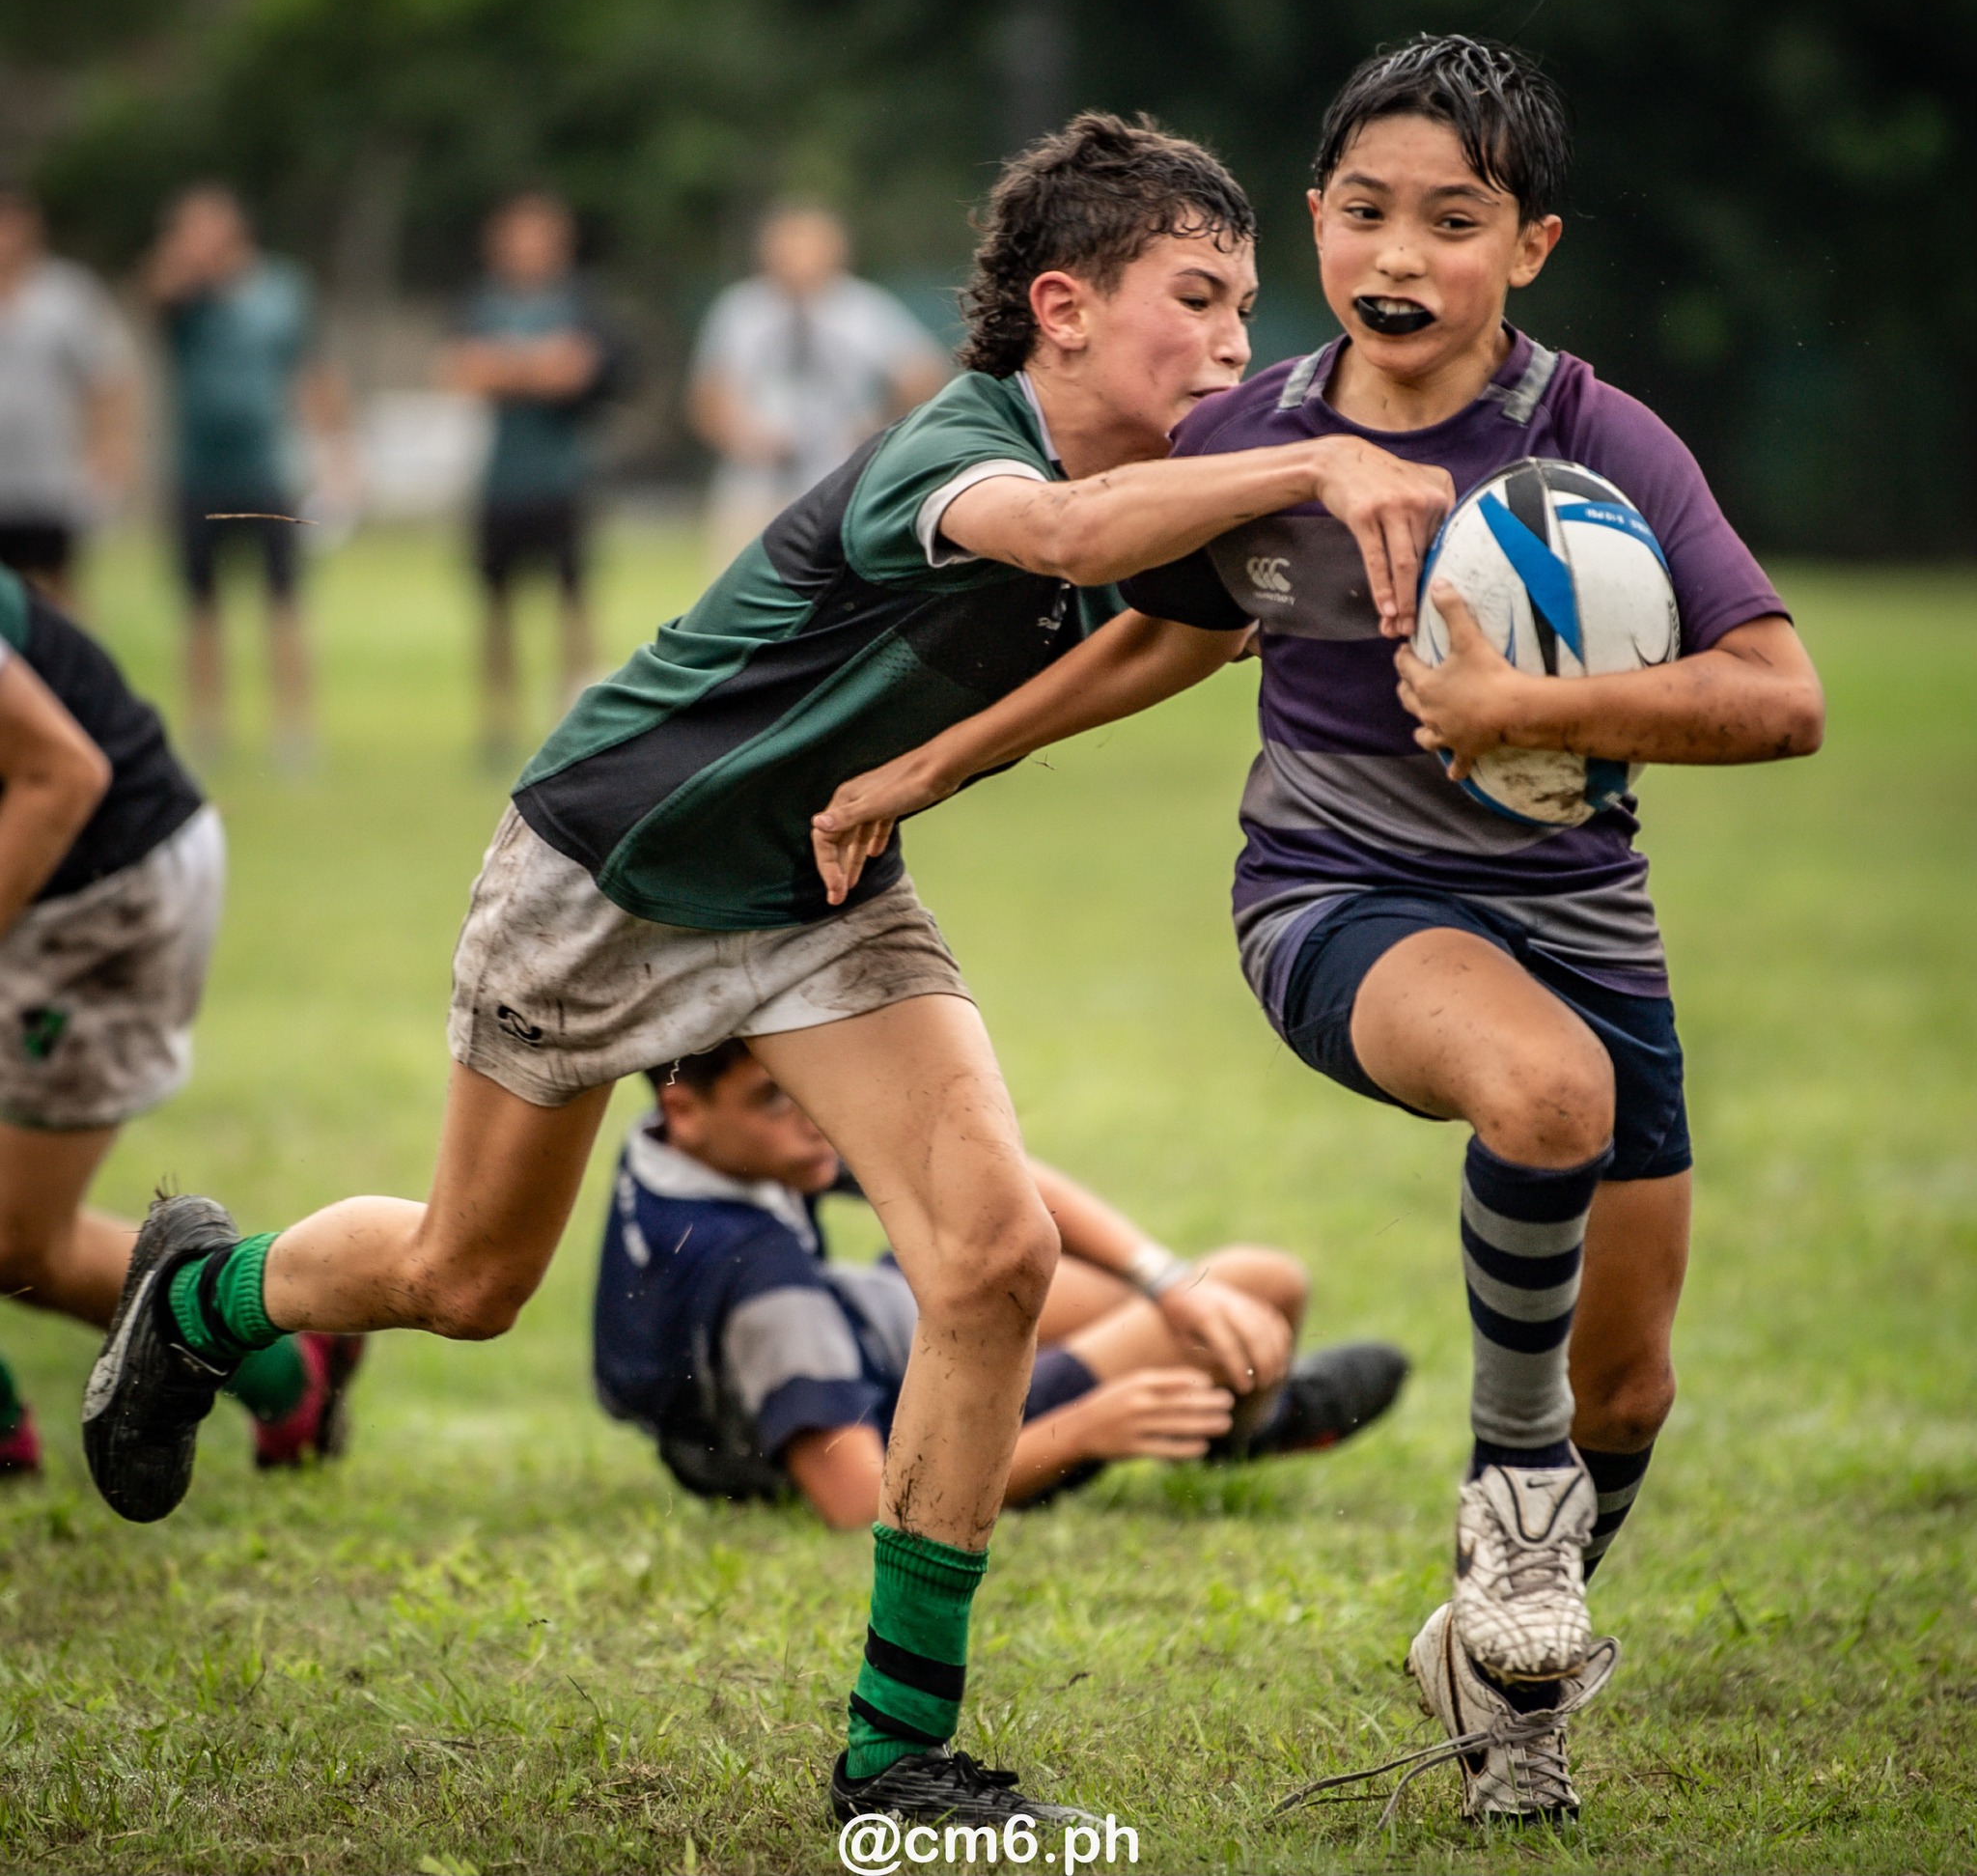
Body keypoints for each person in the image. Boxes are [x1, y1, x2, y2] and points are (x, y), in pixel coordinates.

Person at [79, 111, 1452, 1830]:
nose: (1240, 343)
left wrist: (924, 772)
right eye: (1198, 297)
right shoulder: (952, 450)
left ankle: (897, 1754)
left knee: (992, 1252)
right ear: (1063, 306)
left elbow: (1188, 624)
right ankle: (199, 1297)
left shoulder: (1163, 485)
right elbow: (1068, 544)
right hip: (611, 870)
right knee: (467, 1275)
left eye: (1250, 307)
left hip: (822, 885)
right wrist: (1309, 463)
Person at [809, 40, 1826, 1825]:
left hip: (1581, 915)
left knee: (1631, 1379)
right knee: (1544, 1096)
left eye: (1454, 219)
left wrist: (1530, 713)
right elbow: (1169, 632)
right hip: (1331, 903)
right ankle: (1512, 1542)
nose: (1402, 253)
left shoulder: (1595, 437)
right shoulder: (1251, 435)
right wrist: (935, 763)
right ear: (1315, 224)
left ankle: (1505, 1692)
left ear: (1529, 246)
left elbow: (1781, 695)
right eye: (1365, 210)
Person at [595, 1043, 1408, 1523]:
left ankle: (1228, 1396)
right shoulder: (762, 1290)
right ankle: (1261, 1422)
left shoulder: (682, 1150)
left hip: (871, 1328)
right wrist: (1086, 1430)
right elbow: (859, 1505)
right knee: (1260, 1287)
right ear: (688, 1107)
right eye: (776, 1098)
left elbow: (1000, 1183)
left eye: (811, 1086)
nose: (815, 1116)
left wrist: (1163, 1278)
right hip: (919, 1405)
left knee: (1207, 1297)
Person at [0, 563, 360, 1481]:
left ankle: (285, 1363)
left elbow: (62, 773)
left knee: (15, 1239)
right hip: (74, 870)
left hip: (99, 890)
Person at [147, 184, 355, 764]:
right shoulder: (181, 295)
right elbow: (155, 295)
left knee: (284, 601)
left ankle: (294, 730)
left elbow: (313, 370)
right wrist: (186, 266)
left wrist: (338, 453)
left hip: (267, 470)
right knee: (200, 605)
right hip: (197, 473)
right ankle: (208, 728)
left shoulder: (281, 289)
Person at [441, 191, 626, 759]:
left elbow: (578, 372)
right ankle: (498, 726)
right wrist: (534, 366)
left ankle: (577, 720)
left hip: (563, 478)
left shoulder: (582, 301)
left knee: (573, 600)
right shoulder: (481, 302)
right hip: (501, 480)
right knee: (496, 606)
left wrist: (507, 367)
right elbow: (461, 372)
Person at [689, 204, 948, 571]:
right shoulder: (741, 310)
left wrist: (881, 429)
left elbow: (923, 374)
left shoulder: (863, 309)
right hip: (755, 481)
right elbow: (708, 395)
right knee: (734, 583)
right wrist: (742, 438)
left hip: (838, 479)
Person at [0, 190, 140, 613]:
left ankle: (69, 674)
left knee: (59, 586)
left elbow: (108, 378)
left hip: (49, 477)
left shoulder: (66, 295)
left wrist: (110, 454)